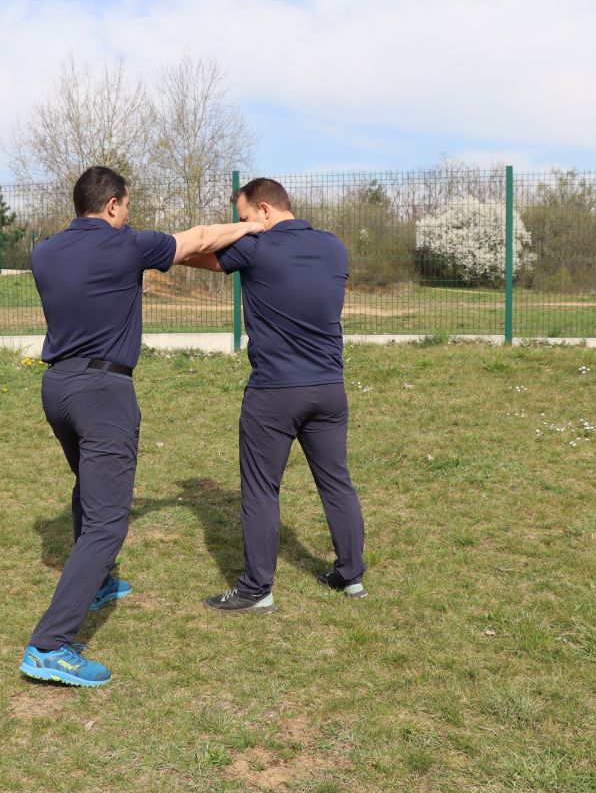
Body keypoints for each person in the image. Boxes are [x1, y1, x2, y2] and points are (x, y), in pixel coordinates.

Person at [19, 166, 264, 686]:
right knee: (108, 522)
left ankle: (98, 583)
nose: (128, 214)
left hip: (57, 387)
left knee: (89, 485)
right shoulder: (126, 244)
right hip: (103, 393)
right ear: (111, 205)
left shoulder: (44, 252)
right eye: (126, 206)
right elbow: (200, 239)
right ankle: (49, 645)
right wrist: (251, 226)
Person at [180, 177, 367, 613]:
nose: (242, 224)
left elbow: (195, 252)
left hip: (274, 393)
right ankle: (351, 576)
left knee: (261, 489)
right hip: (329, 388)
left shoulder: (256, 246)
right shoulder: (335, 247)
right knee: (336, 482)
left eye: (244, 216)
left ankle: (256, 589)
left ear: (264, 210)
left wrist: (239, 232)